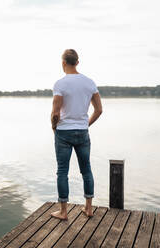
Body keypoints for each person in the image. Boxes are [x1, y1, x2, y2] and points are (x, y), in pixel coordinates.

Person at [50, 49, 103, 220]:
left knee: (62, 171)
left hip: (63, 132)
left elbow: (55, 113)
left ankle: (63, 211)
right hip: (82, 132)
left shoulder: (60, 84)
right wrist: (85, 124)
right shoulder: (90, 83)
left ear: (63, 62)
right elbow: (99, 110)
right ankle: (88, 208)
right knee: (86, 169)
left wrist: (54, 127)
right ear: (77, 62)